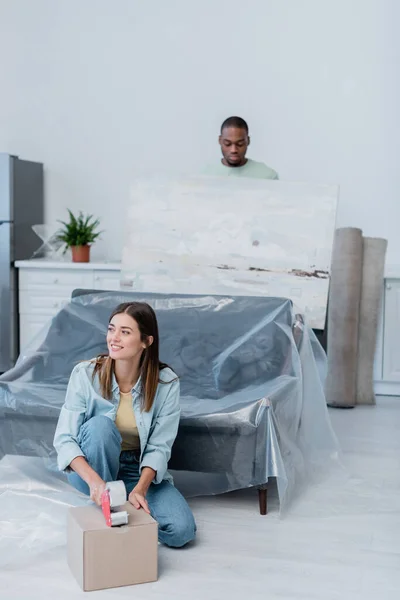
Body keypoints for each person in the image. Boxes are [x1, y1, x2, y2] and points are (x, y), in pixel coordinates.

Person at [53, 301, 196, 548]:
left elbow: (159, 446)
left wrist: (140, 489)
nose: (114, 338)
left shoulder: (166, 383)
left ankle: (124, 511)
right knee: (101, 426)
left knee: (181, 532)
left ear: (146, 342)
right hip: (92, 469)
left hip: (135, 470)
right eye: (111, 329)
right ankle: (106, 504)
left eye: (125, 332)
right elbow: (65, 439)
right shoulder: (85, 374)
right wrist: (96, 482)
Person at [204, 116, 279, 179]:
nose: (233, 150)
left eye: (240, 144)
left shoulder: (267, 176)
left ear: (248, 141)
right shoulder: (205, 176)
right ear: (220, 141)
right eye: (228, 144)